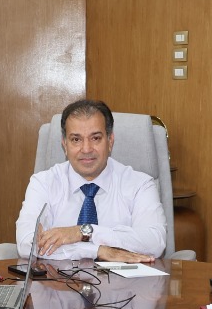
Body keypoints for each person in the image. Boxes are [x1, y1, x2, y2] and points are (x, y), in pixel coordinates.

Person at [13, 99, 165, 263]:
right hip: (57, 279)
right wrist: (97, 250)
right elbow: (27, 244)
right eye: (76, 139)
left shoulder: (139, 184)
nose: (86, 149)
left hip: (124, 280)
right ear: (65, 145)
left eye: (95, 138)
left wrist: (85, 232)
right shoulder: (43, 183)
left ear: (110, 141)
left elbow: (155, 243)